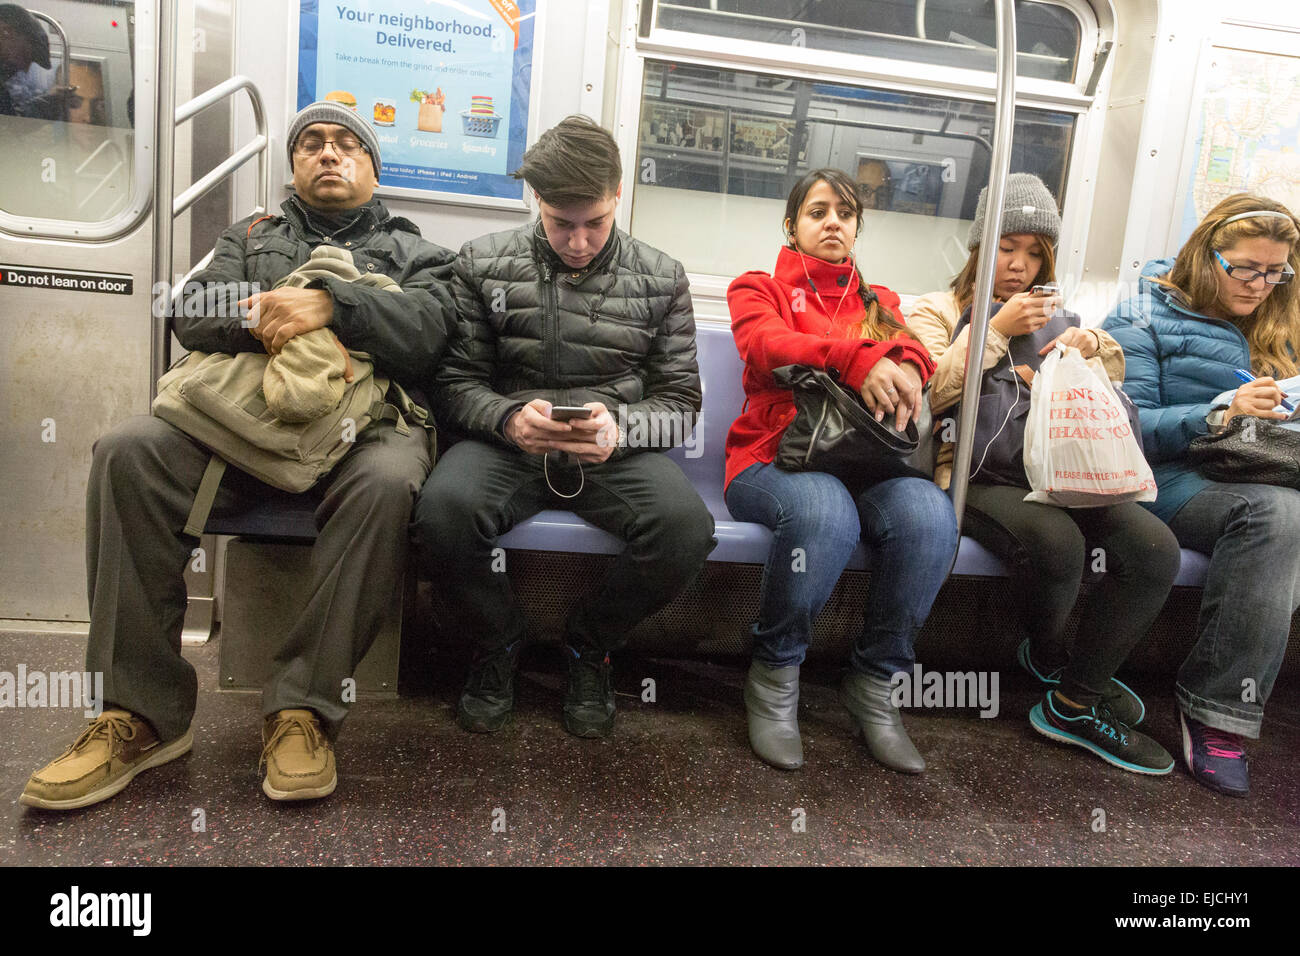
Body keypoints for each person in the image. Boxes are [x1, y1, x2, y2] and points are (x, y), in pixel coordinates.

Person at [21, 101, 457, 808]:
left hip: (359, 434)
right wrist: (276, 311)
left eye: (347, 145)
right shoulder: (253, 233)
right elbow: (193, 312)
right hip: (243, 425)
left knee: (387, 483)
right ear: (292, 165)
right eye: (312, 143)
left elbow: (430, 334)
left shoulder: (417, 251)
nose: (328, 154)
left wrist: (333, 307)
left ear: (373, 169)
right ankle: (139, 713)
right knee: (128, 452)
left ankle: (303, 710)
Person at [414, 115, 715, 740]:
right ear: (537, 204)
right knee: (440, 516)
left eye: (595, 224)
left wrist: (623, 427)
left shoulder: (662, 276)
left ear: (618, 196)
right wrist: (505, 417)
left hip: (613, 451)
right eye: (560, 225)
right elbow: (455, 384)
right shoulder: (482, 263)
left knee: (685, 530)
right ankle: (498, 640)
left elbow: (682, 401)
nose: (578, 242)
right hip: (510, 444)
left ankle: (589, 642)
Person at [909, 172, 1181, 776]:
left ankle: (1075, 695)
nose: (1019, 266)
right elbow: (930, 397)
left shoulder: (1059, 317)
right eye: (1006, 248)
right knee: (1058, 543)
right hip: (977, 471)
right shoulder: (935, 310)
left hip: (1062, 471)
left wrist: (1091, 351)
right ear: (980, 247)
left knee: (1152, 546)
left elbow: (1105, 391)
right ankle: (1053, 654)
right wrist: (996, 330)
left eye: (1035, 254)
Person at [724, 167, 959, 774]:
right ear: (792, 225)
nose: (833, 222)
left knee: (932, 514)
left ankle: (876, 682)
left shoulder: (878, 300)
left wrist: (903, 361)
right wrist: (855, 358)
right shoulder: (759, 289)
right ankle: (775, 676)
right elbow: (765, 346)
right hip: (772, 458)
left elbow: (916, 352)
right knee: (824, 508)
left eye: (846, 214)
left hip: (867, 463)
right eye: (818, 211)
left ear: (857, 227)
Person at [1102, 193, 1300, 797]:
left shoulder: (1286, 319)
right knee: (1277, 516)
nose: (1261, 283)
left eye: (1277, 271)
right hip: (1172, 477)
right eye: (1245, 267)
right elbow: (1132, 425)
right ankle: (1218, 715)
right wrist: (1220, 410)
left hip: (1267, 469)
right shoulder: (1141, 315)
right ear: (1204, 252)